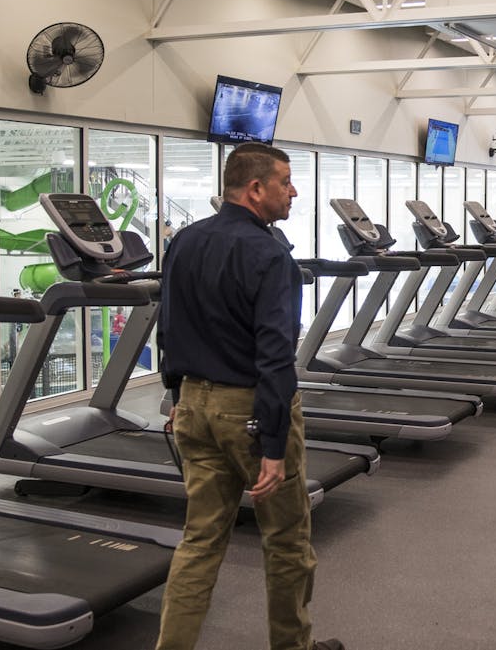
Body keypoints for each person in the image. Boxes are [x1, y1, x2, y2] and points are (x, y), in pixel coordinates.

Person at [155, 143, 342, 650]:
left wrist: (177, 397)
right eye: (285, 181)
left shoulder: (184, 242)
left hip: (193, 403)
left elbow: (167, 328)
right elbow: (276, 357)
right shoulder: (270, 255)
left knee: (199, 540)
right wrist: (275, 448)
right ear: (256, 188)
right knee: (286, 543)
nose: (293, 191)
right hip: (249, 411)